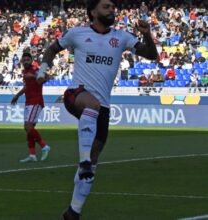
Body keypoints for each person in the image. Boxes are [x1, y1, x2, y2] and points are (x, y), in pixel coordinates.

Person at [36, 0, 158, 219]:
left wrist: (146, 34)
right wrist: (43, 71)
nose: (112, 9)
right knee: (90, 107)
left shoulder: (121, 37)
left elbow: (151, 55)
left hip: (103, 107)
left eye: (113, 7)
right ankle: (82, 161)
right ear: (92, 12)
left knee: (93, 163)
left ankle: (74, 211)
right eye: (106, 6)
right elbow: (51, 50)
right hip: (76, 95)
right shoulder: (77, 33)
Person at [11, 53, 51, 162]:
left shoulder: (35, 70)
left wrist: (33, 76)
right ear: (21, 61)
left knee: (28, 126)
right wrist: (17, 96)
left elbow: (45, 78)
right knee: (28, 129)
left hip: (36, 101)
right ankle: (32, 155)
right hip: (28, 102)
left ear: (32, 60)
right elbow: (26, 87)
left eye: (28, 59)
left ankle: (44, 146)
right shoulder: (25, 72)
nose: (26, 61)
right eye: (24, 60)